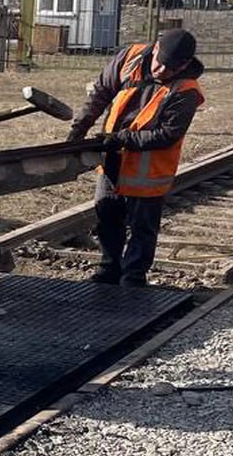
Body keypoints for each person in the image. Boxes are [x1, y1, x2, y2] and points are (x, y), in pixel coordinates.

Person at [65, 28, 205, 287]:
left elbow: (167, 135)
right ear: (154, 49)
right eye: (160, 64)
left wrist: (122, 139)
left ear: (184, 65)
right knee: (107, 215)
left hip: (148, 170)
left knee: (143, 227)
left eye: (171, 69)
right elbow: (101, 93)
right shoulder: (129, 57)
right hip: (112, 160)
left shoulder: (186, 90)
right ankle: (109, 270)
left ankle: (133, 279)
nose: (162, 71)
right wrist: (78, 130)